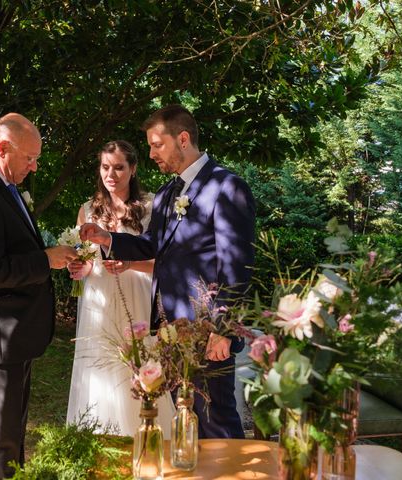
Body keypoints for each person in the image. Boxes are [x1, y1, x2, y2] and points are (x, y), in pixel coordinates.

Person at [80, 105, 255, 439]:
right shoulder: (166, 194)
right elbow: (151, 246)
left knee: (216, 420)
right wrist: (107, 238)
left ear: (183, 139)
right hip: (170, 333)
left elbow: (237, 265)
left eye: (156, 144)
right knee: (187, 420)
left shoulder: (226, 187)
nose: (150, 153)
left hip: (207, 335)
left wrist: (224, 329)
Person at [0, 113, 77, 480]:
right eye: (30, 158)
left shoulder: (2, 189)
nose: (34, 167)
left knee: (12, 437)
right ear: (3, 148)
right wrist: (45, 259)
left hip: (13, 338)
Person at [65, 140, 175, 437]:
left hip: (137, 298)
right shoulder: (87, 210)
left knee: (137, 369)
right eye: (105, 167)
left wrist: (129, 265)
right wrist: (78, 268)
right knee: (99, 372)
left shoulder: (152, 206)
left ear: (133, 168)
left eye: (118, 167)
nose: (110, 174)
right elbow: (86, 260)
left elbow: (163, 262)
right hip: (98, 301)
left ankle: (147, 439)